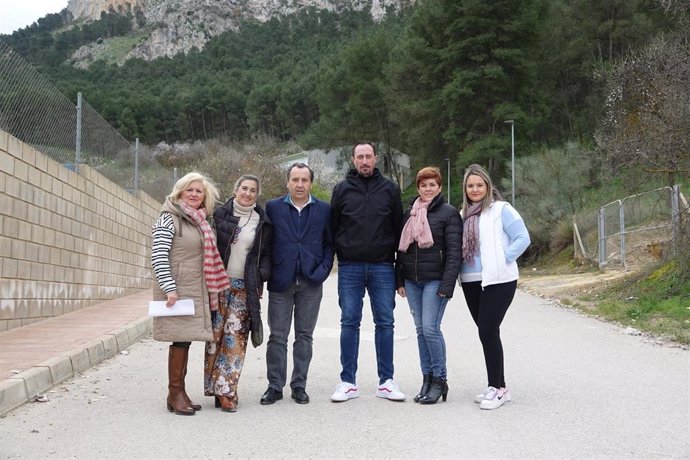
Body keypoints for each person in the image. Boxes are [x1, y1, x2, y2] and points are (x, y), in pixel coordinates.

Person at [330, 141, 405, 402]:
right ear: (353, 159)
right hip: (350, 267)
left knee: (385, 322)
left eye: (368, 156)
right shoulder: (341, 190)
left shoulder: (390, 189)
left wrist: (399, 272)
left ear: (376, 159)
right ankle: (347, 382)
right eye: (359, 157)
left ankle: (386, 381)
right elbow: (333, 228)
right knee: (349, 322)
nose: (364, 161)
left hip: (383, 266)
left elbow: (399, 231)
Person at [151, 172, 227, 416]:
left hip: (196, 288)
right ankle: (175, 393)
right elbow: (159, 255)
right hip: (179, 289)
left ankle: (179, 393)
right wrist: (169, 288)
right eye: (189, 190)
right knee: (180, 339)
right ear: (179, 192)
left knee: (186, 338)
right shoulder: (168, 218)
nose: (194, 194)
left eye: (199, 191)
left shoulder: (200, 220)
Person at [260, 163, 334, 405]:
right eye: (295, 180)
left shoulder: (324, 209)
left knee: (304, 335)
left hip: (311, 282)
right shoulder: (272, 207)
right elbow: (266, 244)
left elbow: (328, 244)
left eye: (304, 180)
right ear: (288, 182)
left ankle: (299, 384)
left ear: (310, 183)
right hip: (281, 281)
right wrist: (267, 273)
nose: (299, 184)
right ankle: (274, 385)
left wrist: (322, 271)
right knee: (277, 336)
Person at [459, 164, 530, 410]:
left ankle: (497, 388)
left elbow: (523, 238)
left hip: (498, 280)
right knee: (487, 333)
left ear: (488, 186)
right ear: (465, 189)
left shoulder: (501, 210)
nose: (475, 189)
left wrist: (504, 257)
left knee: (488, 330)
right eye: (470, 185)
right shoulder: (463, 214)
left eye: (479, 185)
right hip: (470, 280)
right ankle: (499, 386)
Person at [204, 174, 271, 412]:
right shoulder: (218, 214)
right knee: (215, 338)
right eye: (244, 188)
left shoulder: (262, 221)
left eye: (253, 190)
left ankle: (227, 390)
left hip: (245, 286)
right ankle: (215, 386)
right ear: (236, 189)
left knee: (236, 338)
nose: (248, 193)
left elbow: (266, 255)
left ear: (257, 194)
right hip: (218, 284)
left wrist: (260, 275)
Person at [396, 167, 462, 405]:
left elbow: (455, 253)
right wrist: (399, 279)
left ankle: (439, 380)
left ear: (440, 187)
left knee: (431, 328)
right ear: (418, 188)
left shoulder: (449, 213)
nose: (427, 189)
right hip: (412, 280)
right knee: (421, 331)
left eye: (432, 184)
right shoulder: (410, 213)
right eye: (423, 185)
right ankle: (426, 379)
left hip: (436, 280)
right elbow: (401, 249)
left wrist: (447, 285)